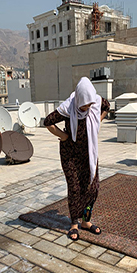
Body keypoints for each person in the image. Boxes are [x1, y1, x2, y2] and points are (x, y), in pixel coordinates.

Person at [44, 77, 110, 240]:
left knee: (92, 188)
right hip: (71, 155)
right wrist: (64, 136)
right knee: (75, 189)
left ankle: (86, 221)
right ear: (78, 99)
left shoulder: (96, 102)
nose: (87, 107)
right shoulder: (69, 107)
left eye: (89, 104)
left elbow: (106, 107)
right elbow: (48, 121)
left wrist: (97, 124)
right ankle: (74, 224)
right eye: (84, 104)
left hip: (89, 153)